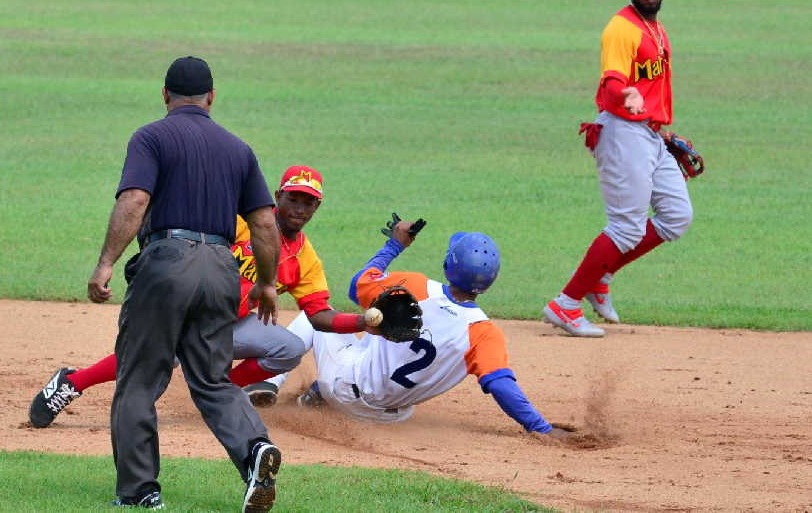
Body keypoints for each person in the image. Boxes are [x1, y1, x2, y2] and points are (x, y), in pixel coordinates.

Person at [85, 56, 282, 512]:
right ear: (212, 97)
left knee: (138, 378)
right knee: (212, 378)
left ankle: (139, 492)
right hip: (221, 268)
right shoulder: (239, 149)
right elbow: (265, 224)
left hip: (166, 262)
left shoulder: (151, 137)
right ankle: (254, 450)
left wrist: (106, 263)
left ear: (164, 95)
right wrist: (268, 284)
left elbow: (136, 199)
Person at [30, 166, 375, 419]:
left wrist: (364, 321)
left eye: (308, 203)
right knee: (153, 355)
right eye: (293, 198)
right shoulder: (241, 222)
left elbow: (319, 314)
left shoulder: (305, 258)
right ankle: (72, 382)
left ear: (317, 208)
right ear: (277, 196)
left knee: (289, 348)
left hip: (232, 323)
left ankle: (220, 390)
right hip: (191, 309)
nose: (299, 208)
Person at [265, 218, 571, 440]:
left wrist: (395, 244)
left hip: (344, 387)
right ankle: (318, 393)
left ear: (449, 264)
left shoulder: (416, 285)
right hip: (387, 418)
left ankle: (269, 383)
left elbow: (356, 286)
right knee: (373, 344)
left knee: (316, 316)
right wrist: (541, 428)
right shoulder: (484, 332)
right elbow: (502, 385)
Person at [541, 0, 693, 338]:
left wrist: (663, 133)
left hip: (649, 133)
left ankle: (602, 274)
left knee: (676, 215)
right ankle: (566, 303)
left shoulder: (656, 28)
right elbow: (612, 80)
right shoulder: (621, 29)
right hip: (623, 133)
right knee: (625, 227)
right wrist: (625, 93)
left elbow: (651, 89)